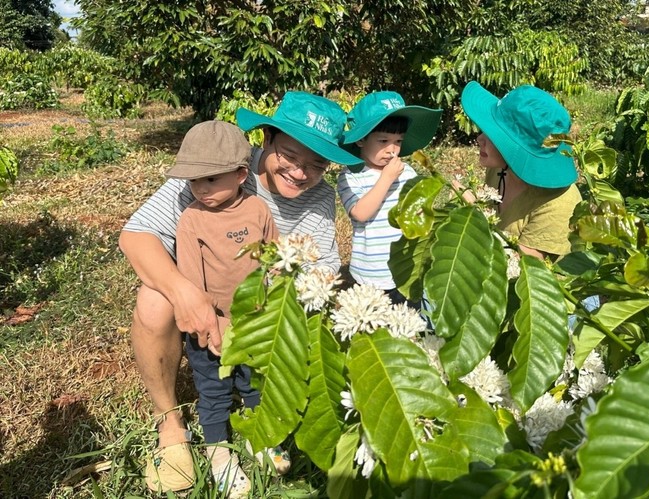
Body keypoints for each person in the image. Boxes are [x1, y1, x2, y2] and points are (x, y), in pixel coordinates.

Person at [119, 92, 363, 493]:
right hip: (204, 298)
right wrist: (187, 295)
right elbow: (136, 236)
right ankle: (170, 424)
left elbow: (322, 268)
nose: (301, 173)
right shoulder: (220, 165)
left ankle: (262, 417)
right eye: (290, 155)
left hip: (263, 310)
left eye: (317, 163)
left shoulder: (320, 195)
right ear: (265, 140)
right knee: (154, 299)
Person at [166, 120, 279, 496]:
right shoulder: (192, 219)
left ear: (241, 175)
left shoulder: (258, 210)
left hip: (255, 322)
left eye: (211, 179)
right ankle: (218, 452)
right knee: (213, 389)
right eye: (194, 180)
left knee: (254, 383)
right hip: (209, 327)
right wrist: (213, 323)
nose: (201, 188)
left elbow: (273, 258)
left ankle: (257, 437)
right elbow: (192, 283)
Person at [337, 91, 441, 306]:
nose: (392, 150)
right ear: (361, 140)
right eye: (383, 140)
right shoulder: (350, 177)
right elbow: (360, 213)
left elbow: (418, 210)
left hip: (407, 269)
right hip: (371, 275)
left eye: (398, 141)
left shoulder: (408, 173)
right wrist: (386, 178)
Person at [459, 81, 582, 259]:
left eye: (495, 136)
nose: (480, 138)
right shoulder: (501, 168)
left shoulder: (558, 203)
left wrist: (473, 214)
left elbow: (522, 268)